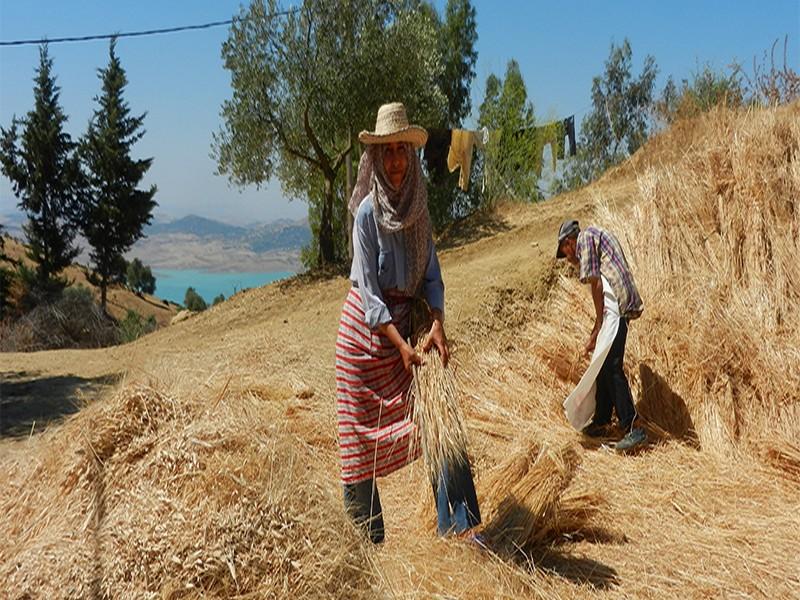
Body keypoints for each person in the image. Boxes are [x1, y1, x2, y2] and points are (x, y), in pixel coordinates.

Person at [336, 102, 481, 544]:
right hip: (365, 341)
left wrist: (436, 323)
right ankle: (365, 544)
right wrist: (400, 347)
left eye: (402, 150)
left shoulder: (420, 208)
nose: (396, 160)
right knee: (356, 444)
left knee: (443, 416)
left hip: (411, 329)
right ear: (376, 159)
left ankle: (459, 526)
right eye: (388, 152)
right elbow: (369, 294)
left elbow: (433, 276)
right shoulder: (366, 215)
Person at [556, 219, 647, 452]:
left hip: (616, 304)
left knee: (612, 365)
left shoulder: (585, 239)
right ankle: (603, 419)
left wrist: (598, 325)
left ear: (568, 242)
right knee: (603, 362)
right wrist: (596, 331)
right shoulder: (594, 237)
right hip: (616, 303)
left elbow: (596, 283)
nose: (568, 258)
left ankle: (633, 426)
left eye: (564, 252)